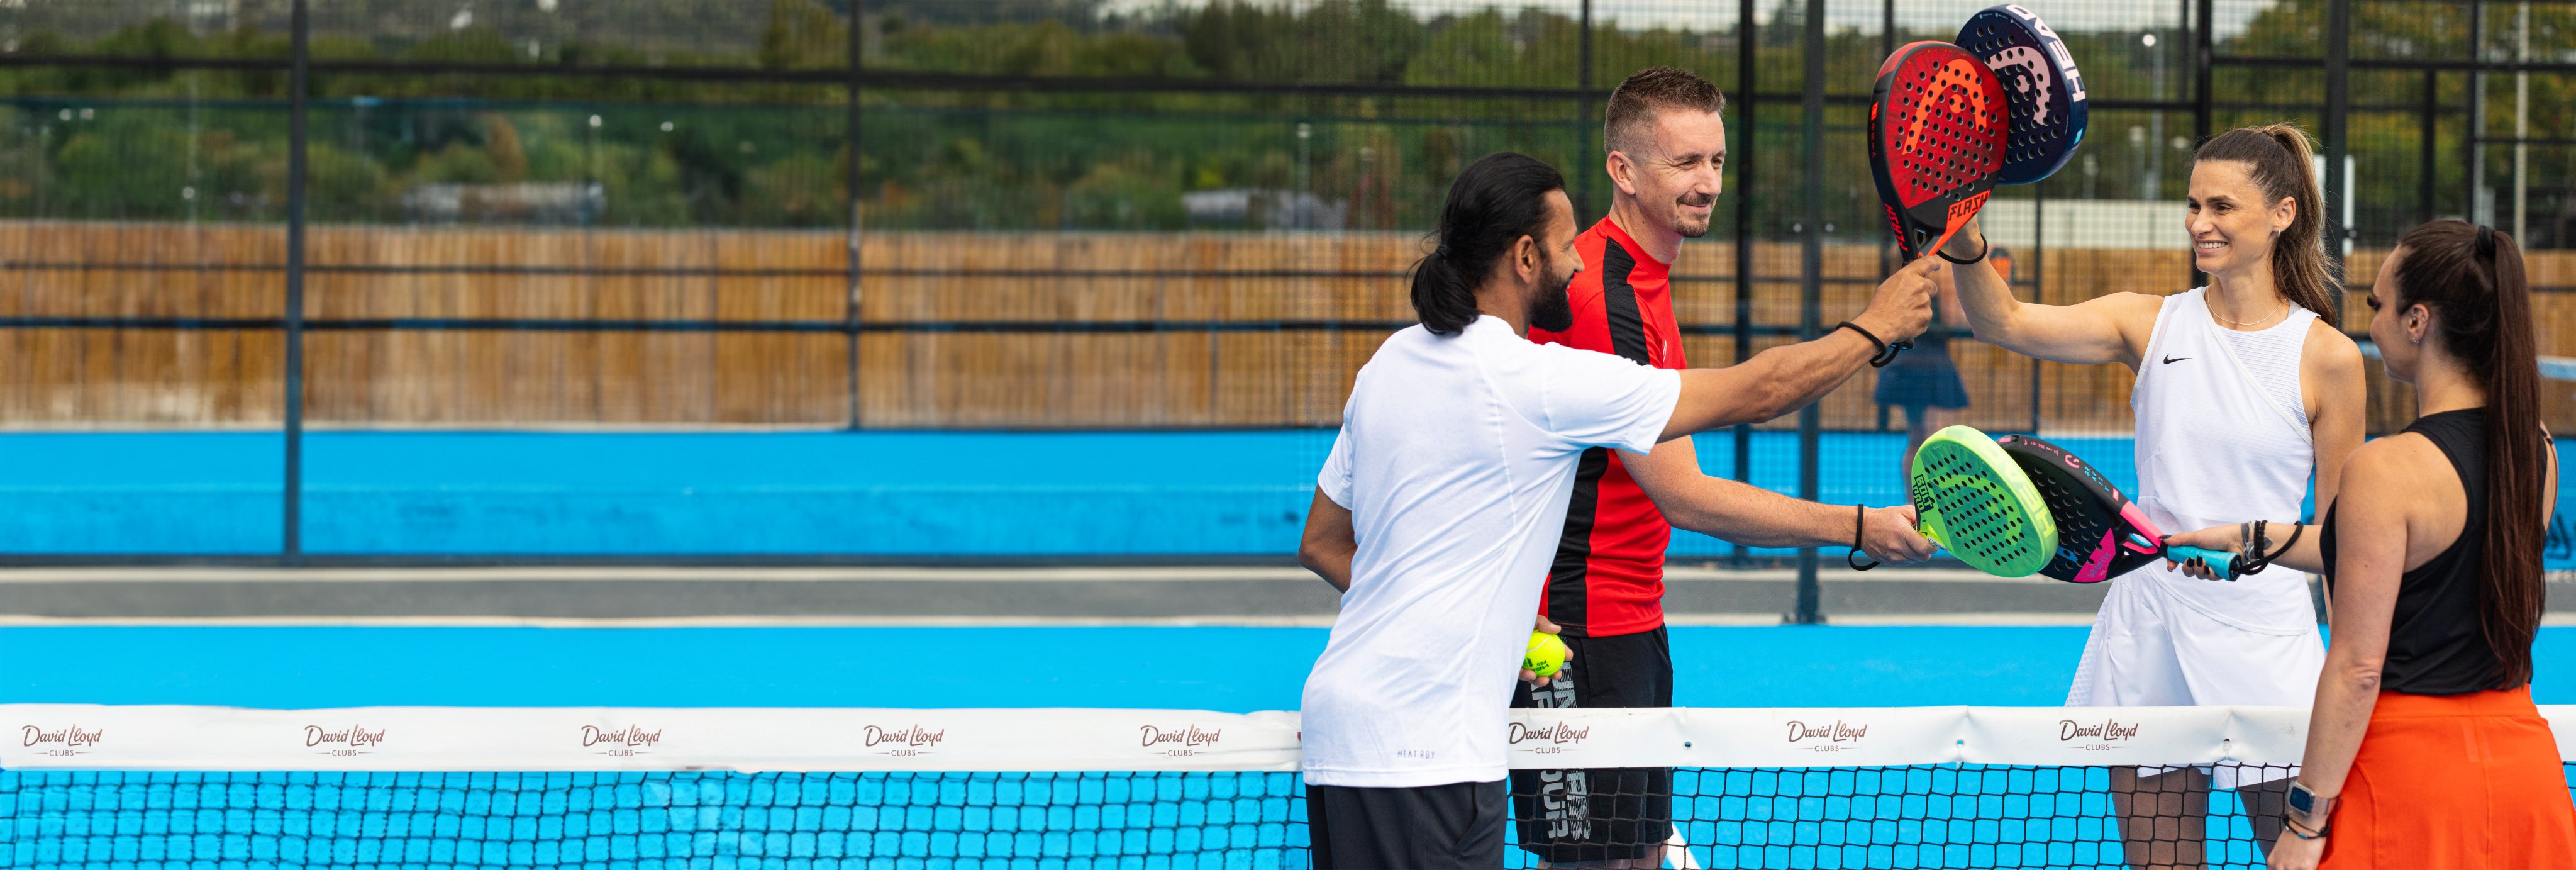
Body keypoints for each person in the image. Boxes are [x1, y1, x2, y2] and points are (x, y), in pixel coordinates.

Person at [1294, 151, 1940, 868]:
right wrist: (1876, 326)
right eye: (1568, 245)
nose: (1578, 263)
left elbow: (1322, 542)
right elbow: (1757, 392)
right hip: (1425, 751)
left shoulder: (1387, 364)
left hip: (1340, 728)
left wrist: (1493, 616)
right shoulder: (1535, 381)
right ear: (1525, 256)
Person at [1515, 65, 1940, 869]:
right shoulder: (1600, 297)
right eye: (1684, 163)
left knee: (1633, 855)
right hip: (1571, 634)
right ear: (1622, 170)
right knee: (1591, 863)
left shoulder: (1641, 280)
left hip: (1633, 620)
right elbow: (1688, 494)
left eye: (1715, 160)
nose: (1707, 181)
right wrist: (1859, 525)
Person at [1937, 124, 2369, 867]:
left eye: (2222, 207)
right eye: (2193, 204)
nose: (2200, 223)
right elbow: (2001, 321)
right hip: (2149, 628)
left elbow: (2339, 542)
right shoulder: (2147, 320)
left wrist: (2346, 660)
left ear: (2282, 215)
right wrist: (1965, 238)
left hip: (2268, 644)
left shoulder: (2327, 357)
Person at [2163, 221, 2573, 869]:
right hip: (2524, 770)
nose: (2370, 322)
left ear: (2418, 321)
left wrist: (2303, 821)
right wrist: (2254, 538)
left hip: (2411, 778)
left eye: (2377, 306)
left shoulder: (2385, 471)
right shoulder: (2537, 451)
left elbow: (2357, 668)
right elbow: (2429, 555)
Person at [1874, 246, 2011, 482]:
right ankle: (1938, 514)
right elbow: (1954, 321)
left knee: (1917, 440)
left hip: (1904, 357)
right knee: (1940, 443)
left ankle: (1913, 507)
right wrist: (1995, 299)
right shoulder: (1945, 266)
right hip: (1930, 362)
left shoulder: (1911, 265)